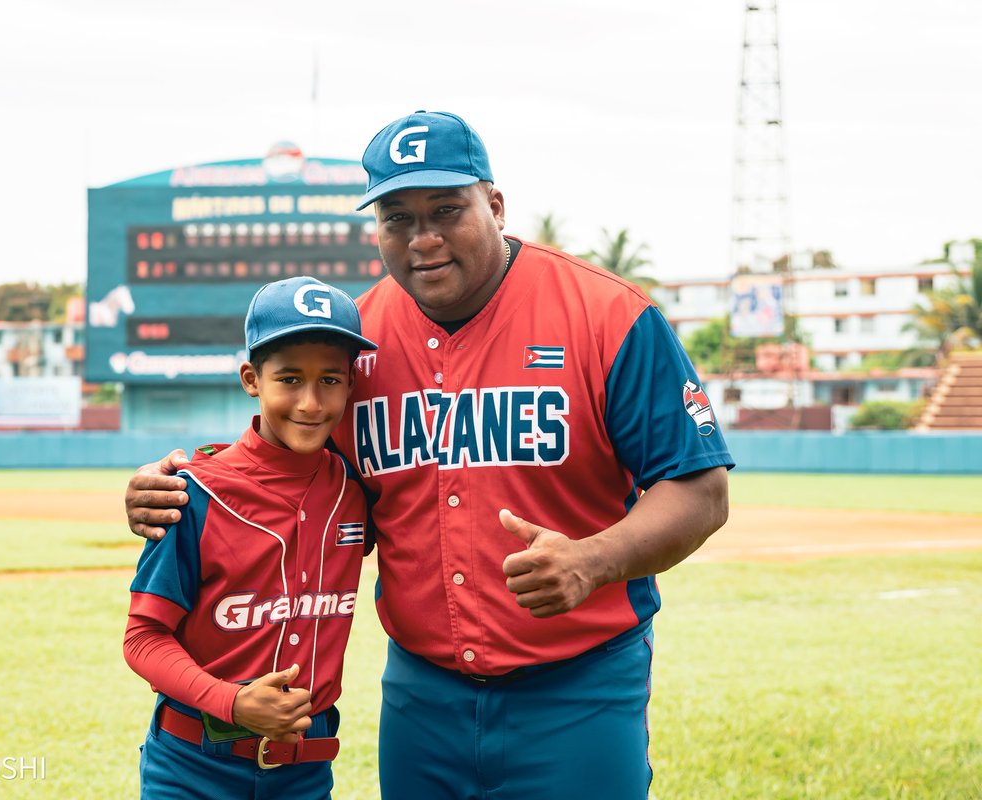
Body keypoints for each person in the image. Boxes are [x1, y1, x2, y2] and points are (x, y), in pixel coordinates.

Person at [125, 110, 734, 798]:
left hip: (580, 682)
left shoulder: (608, 315)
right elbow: (298, 475)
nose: (424, 238)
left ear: (495, 206)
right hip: (422, 695)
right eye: (398, 217)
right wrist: (177, 486)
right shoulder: (354, 341)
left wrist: (595, 560)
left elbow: (700, 490)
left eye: (447, 209)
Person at [124, 276, 377, 799]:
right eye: (289, 379)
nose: (310, 402)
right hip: (193, 766)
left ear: (351, 385)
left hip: (304, 772)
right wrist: (233, 703)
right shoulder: (192, 492)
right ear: (251, 379)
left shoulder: (357, 487)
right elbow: (143, 639)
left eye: (330, 380)